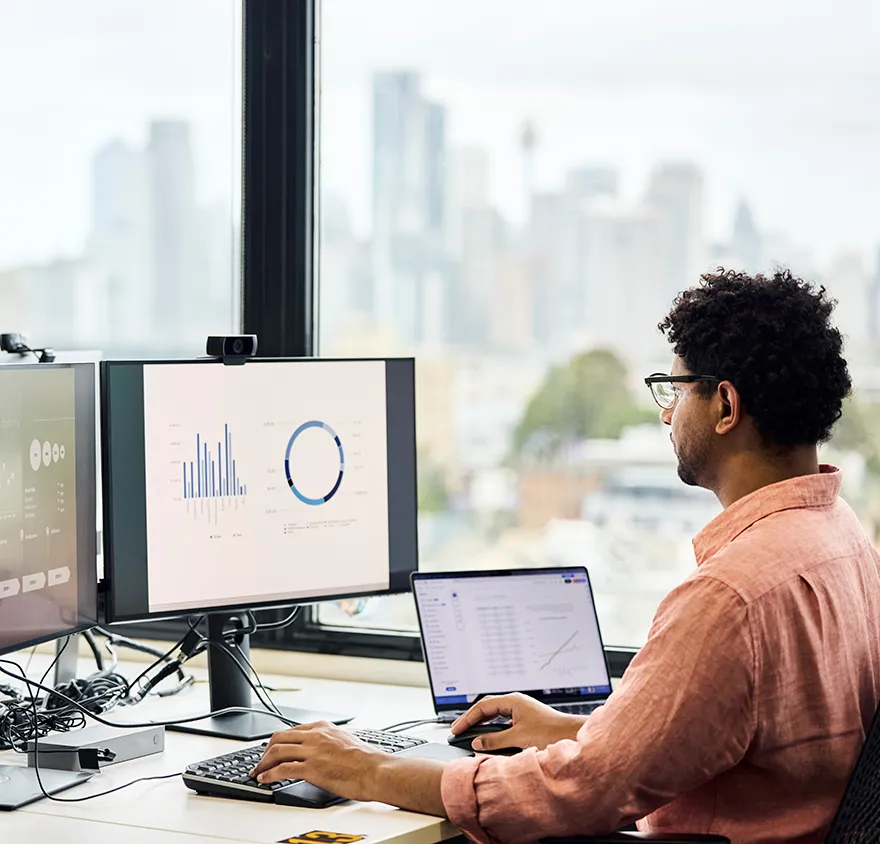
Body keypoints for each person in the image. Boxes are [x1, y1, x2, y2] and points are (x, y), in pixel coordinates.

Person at [251, 268, 880, 843]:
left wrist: (367, 769)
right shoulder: (845, 542)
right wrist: (564, 729)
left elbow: (577, 793)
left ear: (724, 406)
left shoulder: (731, 596)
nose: (666, 414)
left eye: (675, 387)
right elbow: (730, 743)